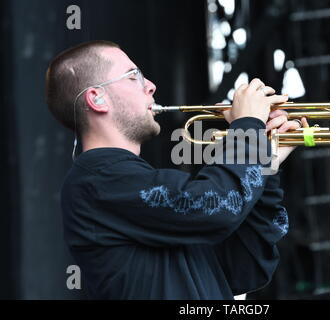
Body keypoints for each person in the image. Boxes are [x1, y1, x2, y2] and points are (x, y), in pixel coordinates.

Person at [45, 40, 307, 299]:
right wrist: (248, 127)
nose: (150, 85)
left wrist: (264, 164)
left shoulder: (133, 185)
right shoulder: (96, 181)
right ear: (97, 98)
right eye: (133, 76)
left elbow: (246, 270)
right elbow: (215, 207)